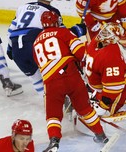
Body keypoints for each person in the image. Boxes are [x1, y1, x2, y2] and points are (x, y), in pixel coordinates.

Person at [33, 11, 109, 152]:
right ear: (57, 21)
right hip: (71, 75)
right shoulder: (63, 32)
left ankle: (54, 142)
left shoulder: (36, 42)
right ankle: (101, 135)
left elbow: (41, 66)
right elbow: (81, 52)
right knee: (85, 109)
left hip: (51, 82)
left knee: (53, 115)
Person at [7, 0, 87, 96]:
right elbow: (62, 35)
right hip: (33, 43)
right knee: (57, 70)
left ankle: (49, 102)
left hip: (17, 49)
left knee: (35, 79)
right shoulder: (52, 11)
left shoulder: (22, 7)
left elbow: (10, 30)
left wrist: (10, 48)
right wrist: (79, 29)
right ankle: (69, 98)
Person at [85, 22, 126, 116]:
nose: (103, 34)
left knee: (103, 113)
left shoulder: (111, 56)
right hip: (99, 87)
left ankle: (112, 108)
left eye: (107, 33)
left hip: (113, 91)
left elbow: (114, 87)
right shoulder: (97, 41)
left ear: (114, 39)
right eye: (104, 31)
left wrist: (103, 105)